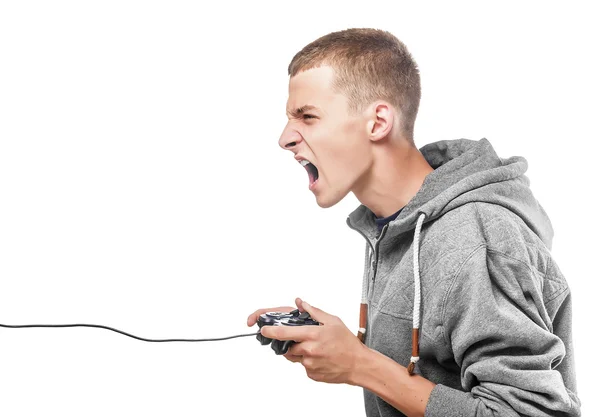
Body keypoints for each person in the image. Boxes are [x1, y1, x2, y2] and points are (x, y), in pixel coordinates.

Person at [246, 28, 581, 417]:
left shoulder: (474, 237)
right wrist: (341, 350)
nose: (285, 137)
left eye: (307, 116)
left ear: (377, 122)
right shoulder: (393, 228)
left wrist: (360, 365)